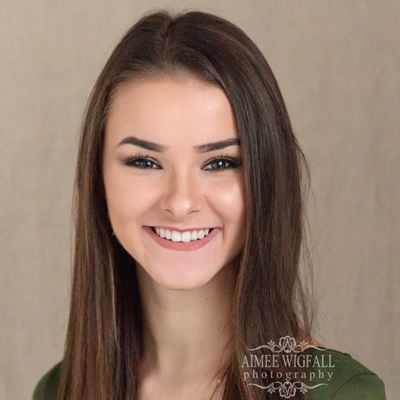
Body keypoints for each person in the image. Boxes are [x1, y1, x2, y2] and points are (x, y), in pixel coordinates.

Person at [32, 9, 386, 400]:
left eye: (219, 163)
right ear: (98, 177)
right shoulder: (58, 390)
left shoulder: (338, 393)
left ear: (267, 179)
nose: (181, 202)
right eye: (145, 162)